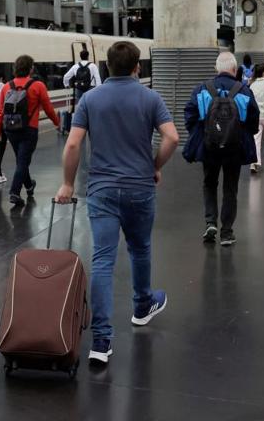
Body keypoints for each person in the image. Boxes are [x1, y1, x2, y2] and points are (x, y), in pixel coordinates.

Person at [55, 41, 179, 366]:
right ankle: (141, 306)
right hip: (140, 187)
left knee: (103, 261)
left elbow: (73, 144)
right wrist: (155, 166)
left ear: (106, 67)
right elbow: (172, 138)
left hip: (102, 189)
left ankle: (101, 341)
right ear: (138, 67)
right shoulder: (150, 98)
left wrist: (68, 183)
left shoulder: (90, 99)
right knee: (140, 248)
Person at [184, 51, 260, 247]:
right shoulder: (243, 90)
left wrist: (203, 132)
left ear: (216, 68)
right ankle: (227, 232)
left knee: (209, 183)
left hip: (209, 148)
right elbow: (253, 120)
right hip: (234, 149)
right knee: (230, 188)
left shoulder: (202, 89)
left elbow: (190, 115)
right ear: (235, 70)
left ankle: (210, 223)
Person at [0, 54, 60, 207]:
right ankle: (14, 192)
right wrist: (57, 122)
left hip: (10, 129)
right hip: (29, 129)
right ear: (31, 69)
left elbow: (0, 111)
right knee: (23, 161)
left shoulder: (6, 87)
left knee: (21, 159)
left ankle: (29, 185)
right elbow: (48, 108)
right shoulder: (38, 86)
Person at [61, 48, 101, 134]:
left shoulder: (75, 66)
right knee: (91, 106)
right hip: (91, 88)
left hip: (79, 89)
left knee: (79, 107)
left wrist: (66, 85)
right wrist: (99, 90)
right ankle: (91, 124)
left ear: (80, 56)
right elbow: (98, 79)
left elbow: (66, 76)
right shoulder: (93, 66)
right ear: (88, 56)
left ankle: (79, 125)